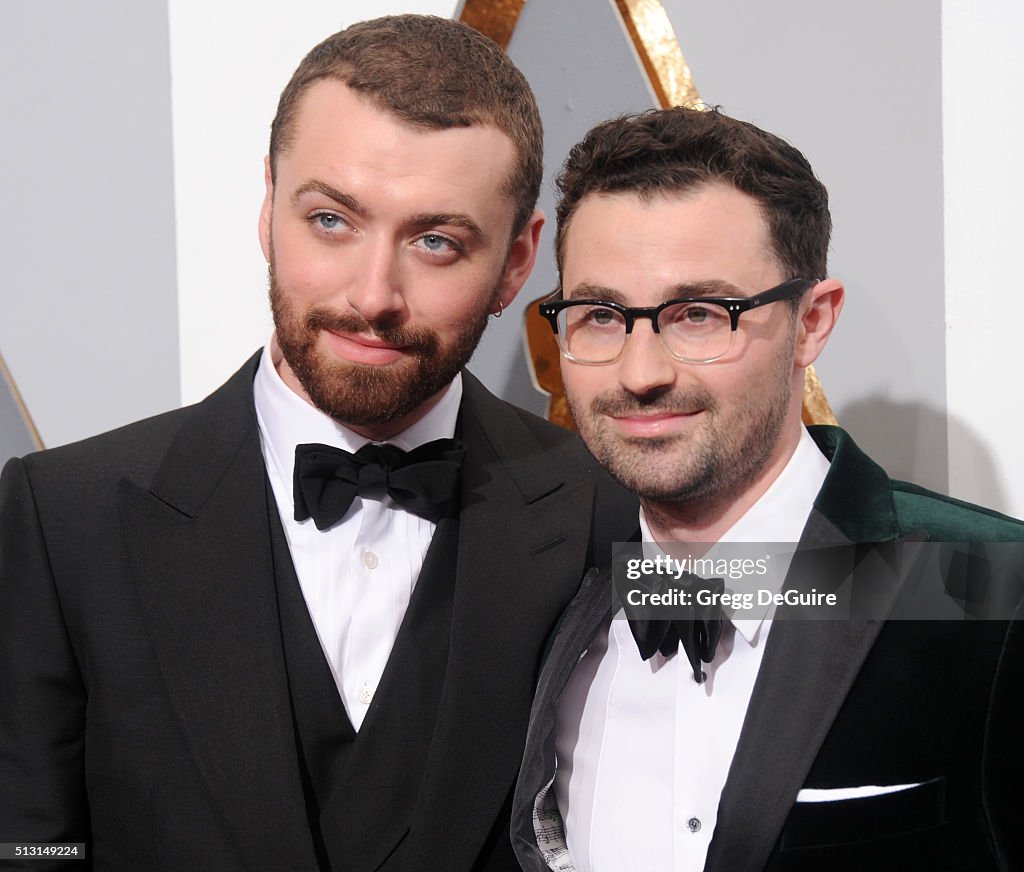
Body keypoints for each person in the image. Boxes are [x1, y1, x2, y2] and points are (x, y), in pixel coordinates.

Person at [0, 16, 636, 871]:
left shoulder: (616, 512)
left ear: (518, 261)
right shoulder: (64, 517)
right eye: (332, 221)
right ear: (269, 207)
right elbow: (28, 849)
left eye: (436, 241)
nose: (373, 295)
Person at [511, 106, 1024, 871]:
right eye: (601, 316)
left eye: (698, 315)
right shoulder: (554, 606)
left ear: (811, 322)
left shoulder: (991, 590)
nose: (641, 372)